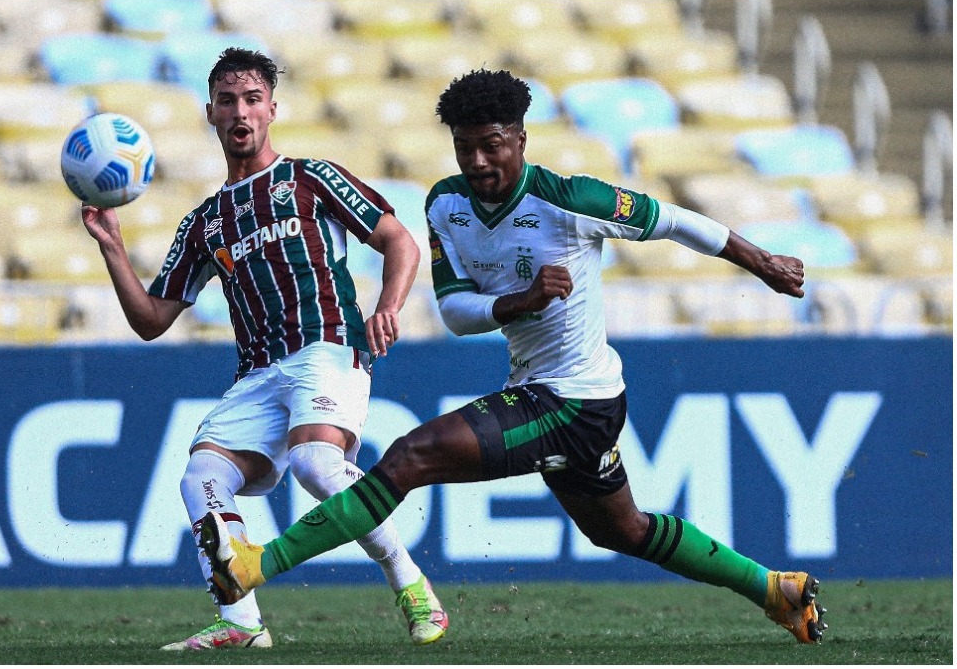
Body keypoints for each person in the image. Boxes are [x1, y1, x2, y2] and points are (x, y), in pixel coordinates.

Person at [197, 69, 828, 645]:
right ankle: (775, 590)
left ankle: (257, 564)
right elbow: (455, 311)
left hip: (575, 398)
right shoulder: (446, 204)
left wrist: (763, 263)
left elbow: (674, 221)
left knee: (410, 457)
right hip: (552, 394)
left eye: (492, 146)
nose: (477, 162)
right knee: (622, 530)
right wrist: (520, 301)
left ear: (520, 139)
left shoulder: (567, 200)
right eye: (465, 148)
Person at [81, 48, 448, 650]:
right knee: (200, 475)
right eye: (228, 101)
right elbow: (151, 320)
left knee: (315, 465)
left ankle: (411, 586)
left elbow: (399, 242)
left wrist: (388, 307)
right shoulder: (205, 223)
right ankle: (241, 623)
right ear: (210, 113)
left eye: (252, 99)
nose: (240, 111)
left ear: (272, 109)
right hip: (257, 376)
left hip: (327, 348)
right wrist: (113, 250)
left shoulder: (312, 178)